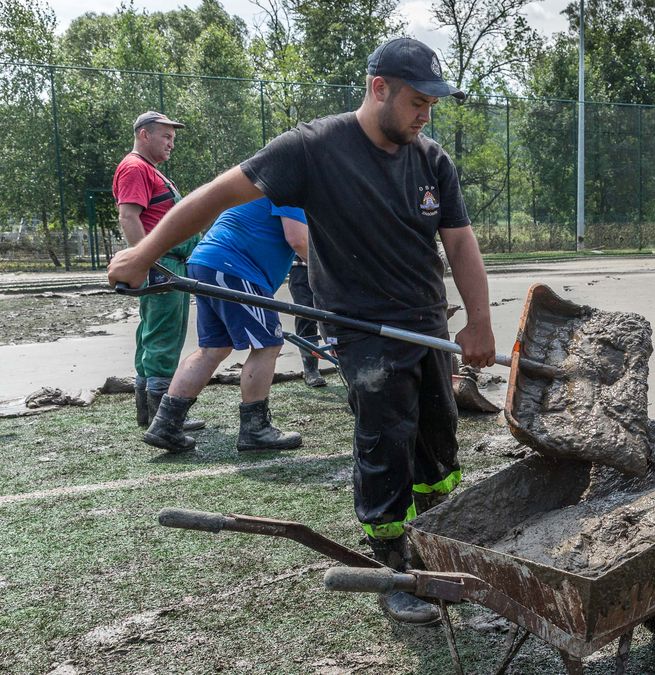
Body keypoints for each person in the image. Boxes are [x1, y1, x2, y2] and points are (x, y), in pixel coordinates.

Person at [108, 37, 496, 627]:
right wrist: (143, 255)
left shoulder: (430, 159)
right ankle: (394, 566)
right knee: (387, 443)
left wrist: (480, 321)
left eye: (431, 105)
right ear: (379, 88)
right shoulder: (313, 148)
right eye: (417, 102)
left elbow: (460, 242)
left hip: (425, 322)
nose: (425, 115)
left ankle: (438, 543)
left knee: (438, 443)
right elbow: (215, 196)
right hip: (364, 328)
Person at [143, 197, 310, 455]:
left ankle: (166, 424)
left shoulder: (265, 186)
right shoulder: (291, 189)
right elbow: (298, 240)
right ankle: (255, 430)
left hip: (209, 262)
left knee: (213, 348)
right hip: (234, 266)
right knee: (267, 345)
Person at [112, 111, 204, 433]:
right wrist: (148, 261)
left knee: (153, 336)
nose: (171, 144)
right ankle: (163, 418)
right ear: (144, 135)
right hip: (163, 265)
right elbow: (128, 217)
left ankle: (149, 415)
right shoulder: (135, 167)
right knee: (164, 338)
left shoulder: (148, 170)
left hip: (166, 263)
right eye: (166, 137)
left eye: (172, 138)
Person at [287, 259, 327, 387]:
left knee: (336, 314)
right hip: (301, 266)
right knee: (305, 315)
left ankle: (344, 362)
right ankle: (311, 369)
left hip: (328, 266)